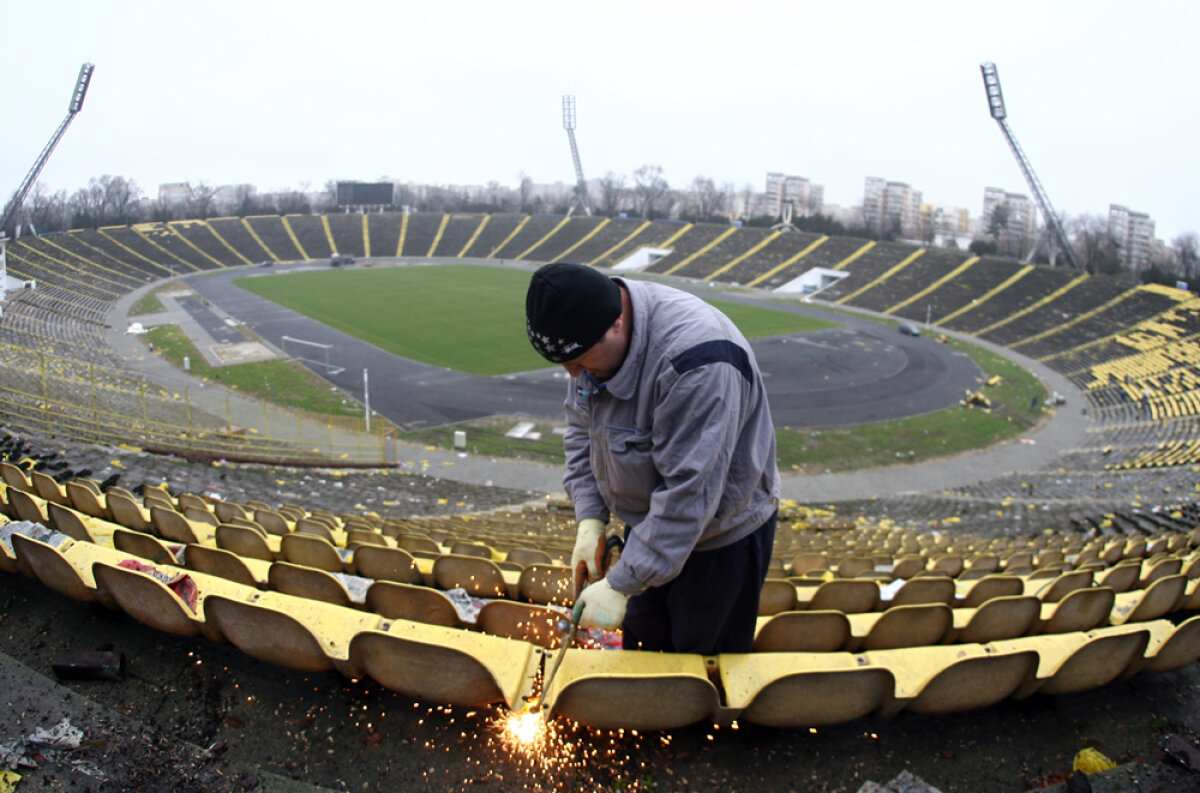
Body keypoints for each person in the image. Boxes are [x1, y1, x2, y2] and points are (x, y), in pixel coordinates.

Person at [525, 262, 779, 655]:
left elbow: (688, 496)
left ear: (616, 323)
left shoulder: (698, 365)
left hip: (719, 540)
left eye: (580, 360)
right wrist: (590, 520)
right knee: (643, 649)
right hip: (649, 527)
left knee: (701, 664)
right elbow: (582, 432)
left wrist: (620, 583)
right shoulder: (587, 336)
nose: (574, 375)